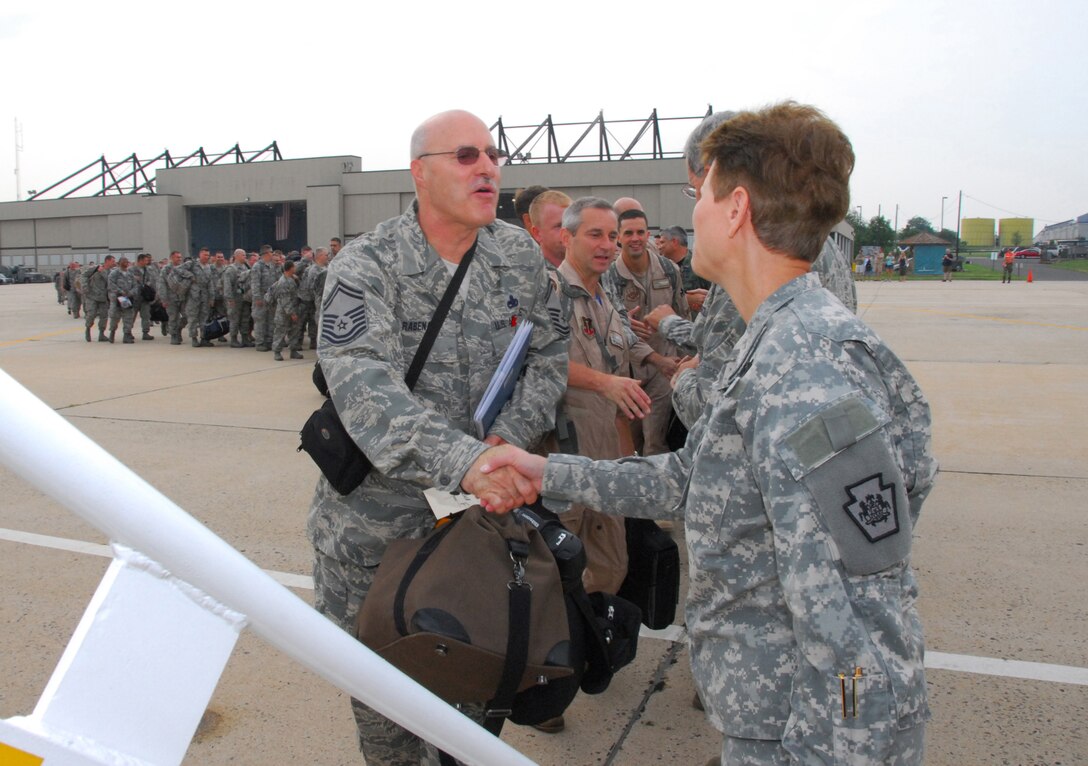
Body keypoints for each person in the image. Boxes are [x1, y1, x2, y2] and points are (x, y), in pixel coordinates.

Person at [479, 102, 936, 766]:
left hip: (795, 735)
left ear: (735, 208)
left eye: (700, 196)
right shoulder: (771, 348)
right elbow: (689, 478)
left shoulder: (807, 374)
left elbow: (860, 631)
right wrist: (541, 471)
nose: (689, 217)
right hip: (760, 713)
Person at [306, 109, 567, 766]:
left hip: (474, 536)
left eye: (493, 154)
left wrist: (509, 434)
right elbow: (362, 385)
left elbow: (553, 349)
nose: (487, 167)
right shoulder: (368, 266)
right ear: (420, 174)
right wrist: (471, 461)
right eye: (466, 155)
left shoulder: (516, 255)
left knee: (471, 707)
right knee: (384, 708)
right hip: (373, 535)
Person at [605, 208, 686, 457]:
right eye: (628, 233)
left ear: (648, 234)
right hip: (629, 372)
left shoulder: (669, 270)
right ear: (619, 237)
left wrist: (685, 361)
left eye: (640, 232)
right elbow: (605, 324)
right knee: (633, 441)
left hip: (665, 365)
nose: (635, 238)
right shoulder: (608, 275)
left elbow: (683, 316)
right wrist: (621, 324)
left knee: (655, 440)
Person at [527, 189, 571, 269]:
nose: (569, 231)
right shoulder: (528, 276)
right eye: (559, 226)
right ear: (537, 233)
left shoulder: (594, 269)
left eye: (572, 224)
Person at [269, 260, 302, 361]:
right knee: (280, 332)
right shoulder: (283, 282)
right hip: (284, 312)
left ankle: (293, 350)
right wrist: (291, 313)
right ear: (291, 268)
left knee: (294, 331)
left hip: (294, 309)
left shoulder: (292, 279)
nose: (295, 268)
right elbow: (285, 300)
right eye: (294, 267)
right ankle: (277, 352)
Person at [81, 255, 115, 342]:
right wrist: (85, 287)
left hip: (104, 298)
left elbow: (110, 282)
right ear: (107, 261)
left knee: (104, 316)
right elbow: (84, 276)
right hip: (92, 296)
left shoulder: (112, 272)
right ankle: (88, 329)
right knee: (91, 315)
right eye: (112, 261)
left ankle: (101, 334)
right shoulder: (95, 268)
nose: (114, 263)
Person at [222, 249, 252, 347]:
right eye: (243, 255)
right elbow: (227, 286)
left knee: (245, 318)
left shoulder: (246, 267)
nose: (245, 257)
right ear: (237, 256)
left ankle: (244, 338)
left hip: (245, 298)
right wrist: (230, 299)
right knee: (234, 319)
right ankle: (234, 339)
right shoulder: (231, 269)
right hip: (235, 299)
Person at [250, 245, 277, 351]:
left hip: (270, 298)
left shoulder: (271, 265)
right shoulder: (257, 266)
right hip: (260, 297)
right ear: (265, 254)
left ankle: (269, 341)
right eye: (271, 252)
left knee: (270, 320)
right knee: (260, 320)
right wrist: (257, 298)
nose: (272, 254)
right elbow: (255, 283)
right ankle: (260, 343)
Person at [106, 256, 138, 343]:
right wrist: (120, 291)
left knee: (128, 316)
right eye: (124, 261)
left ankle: (127, 335)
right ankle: (112, 333)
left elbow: (135, 285)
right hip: (117, 298)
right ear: (119, 263)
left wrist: (131, 293)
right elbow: (111, 284)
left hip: (126, 298)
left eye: (127, 261)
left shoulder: (130, 274)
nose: (126, 263)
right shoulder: (114, 273)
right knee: (115, 317)